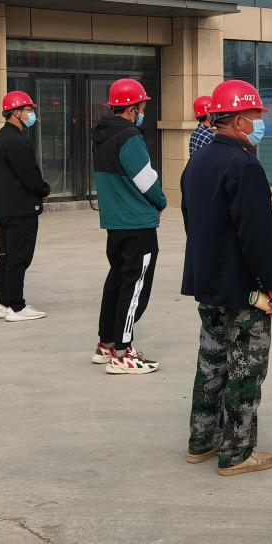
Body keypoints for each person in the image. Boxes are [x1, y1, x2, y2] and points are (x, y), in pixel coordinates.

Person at [181, 79, 272, 476]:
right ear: (240, 120)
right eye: (256, 116)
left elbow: (192, 221)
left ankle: (202, 440)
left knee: (211, 362)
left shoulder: (197, 162)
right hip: (243, 288)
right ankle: (238, 452)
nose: (260, 123)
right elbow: (256, 234)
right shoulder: (244, 165)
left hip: (209, 281)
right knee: (246, 367)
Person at [91, 77, 167, 373]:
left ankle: (107, 343)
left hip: (115, 222)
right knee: (135, 288)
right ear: (132, 108)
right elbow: (146, 180)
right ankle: (123, 353)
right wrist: (161, 201)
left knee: (117, 281)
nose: (143, 112)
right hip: (137, 221)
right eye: (142, 107)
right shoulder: (129, 136)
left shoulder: (103, 135)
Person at [0, 90, 50, 323]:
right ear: (15, 112)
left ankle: (3, 303)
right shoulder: (16, 140)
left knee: (5, 254)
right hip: (20, 209)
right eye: (28, 109)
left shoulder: (0, 138)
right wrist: (43, 190)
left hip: (4, 208)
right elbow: (30, 175)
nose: (31, 114)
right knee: (18, 257)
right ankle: (17, 306)